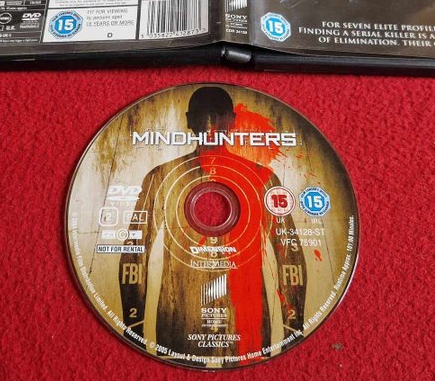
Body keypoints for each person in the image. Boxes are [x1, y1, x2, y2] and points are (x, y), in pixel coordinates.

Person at [119, 87, 306, 361]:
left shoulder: (262, 177)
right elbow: (135, 252)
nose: (210, 124)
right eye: (204, 115)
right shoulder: (162, 176)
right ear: (190, 120)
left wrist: (132, 325)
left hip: (233, 329)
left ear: (230, 120)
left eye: (215, 115)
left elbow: (289, 253)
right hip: (188, 327)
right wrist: (294, 328)